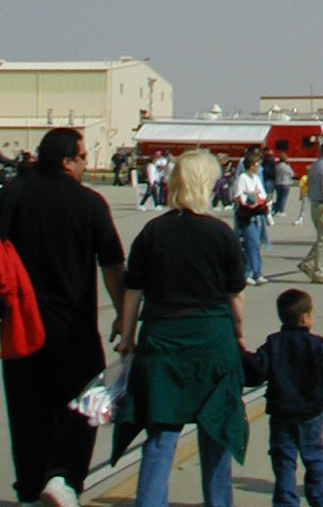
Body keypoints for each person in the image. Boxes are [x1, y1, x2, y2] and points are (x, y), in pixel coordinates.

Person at [0, 127, 125, 507]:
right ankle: (64, 478)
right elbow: (111, 264)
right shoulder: (89, 203)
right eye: (83, 157)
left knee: (27, 412)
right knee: (87, 401)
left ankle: (29, 488)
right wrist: (123, 314)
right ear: (67, 161)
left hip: (20, 324)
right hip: (72, 328)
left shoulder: (12, 195)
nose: (86, 164)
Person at [114, 148, 249, 507]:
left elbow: (133, 291)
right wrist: (238, 334)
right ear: (207, 184)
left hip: (162, 340)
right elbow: (235, 296)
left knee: (161, 435)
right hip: (211, 338)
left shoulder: (152, 232)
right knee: (217, 429)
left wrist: (127, 338)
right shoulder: (221, 234)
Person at [242, 288, 323, 507]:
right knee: (314, 457)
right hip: (310, 414)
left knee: (284, 461)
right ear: (305, 318)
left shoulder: (273, 344)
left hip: (281, 414)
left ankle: (286, 501)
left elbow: (256, 372)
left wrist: (242, 354)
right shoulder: (319, 346)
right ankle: (319, 497)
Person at [301, 139, 323, 285]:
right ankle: (319, 272)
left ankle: (308, 262)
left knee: (322, 238)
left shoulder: (315, 165)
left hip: (314, 204)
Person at [232, 147, 270, 285]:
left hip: (257, 214)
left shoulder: (256, 178)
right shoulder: (242, 178)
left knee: (252, 244)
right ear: (250, 165)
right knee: (253, 242)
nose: (258, 167)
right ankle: (257, 273)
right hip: (246, 215)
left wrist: (261, 199)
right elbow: (238, 196)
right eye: (256, 164)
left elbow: (262, 194)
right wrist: (250, 198)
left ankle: (246, 273)